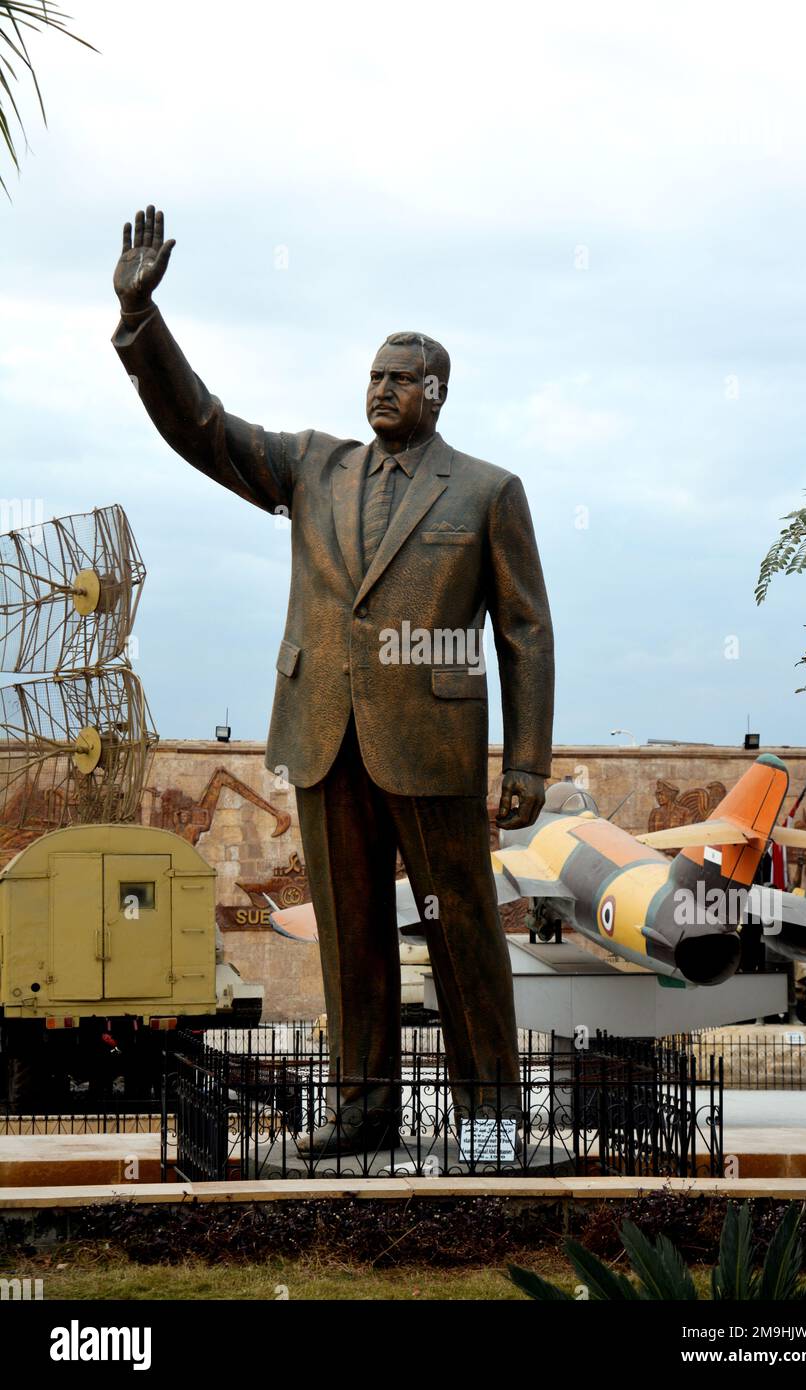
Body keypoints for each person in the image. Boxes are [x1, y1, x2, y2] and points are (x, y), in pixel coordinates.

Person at [111, 207, 555, 1155]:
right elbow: (205, 429)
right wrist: (143, 323)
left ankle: (491, 1117)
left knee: (462, 934)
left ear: (438, 393)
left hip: (431, 746)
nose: (382, 389)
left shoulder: (486, 491)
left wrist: (526, 763)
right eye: (374, 376)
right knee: (352, 935)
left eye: (401, 379)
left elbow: (524, 630)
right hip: (324, 732)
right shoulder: (314, 467)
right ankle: (363, 1110)